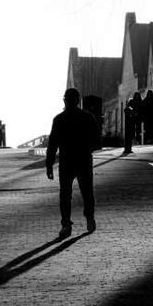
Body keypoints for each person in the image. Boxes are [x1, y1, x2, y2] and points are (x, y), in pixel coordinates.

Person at [45, 87, 100, 239]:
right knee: (87, 192)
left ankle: (66, 225)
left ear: (65, 100)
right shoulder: (88, 117)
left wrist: (49, 165)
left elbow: (52, 145)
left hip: (66, 162)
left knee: (65, 195)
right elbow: (96, 141)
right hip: (83, 160)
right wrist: (86, 149)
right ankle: (89, 218)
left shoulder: (59, 119)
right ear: (78, 101)